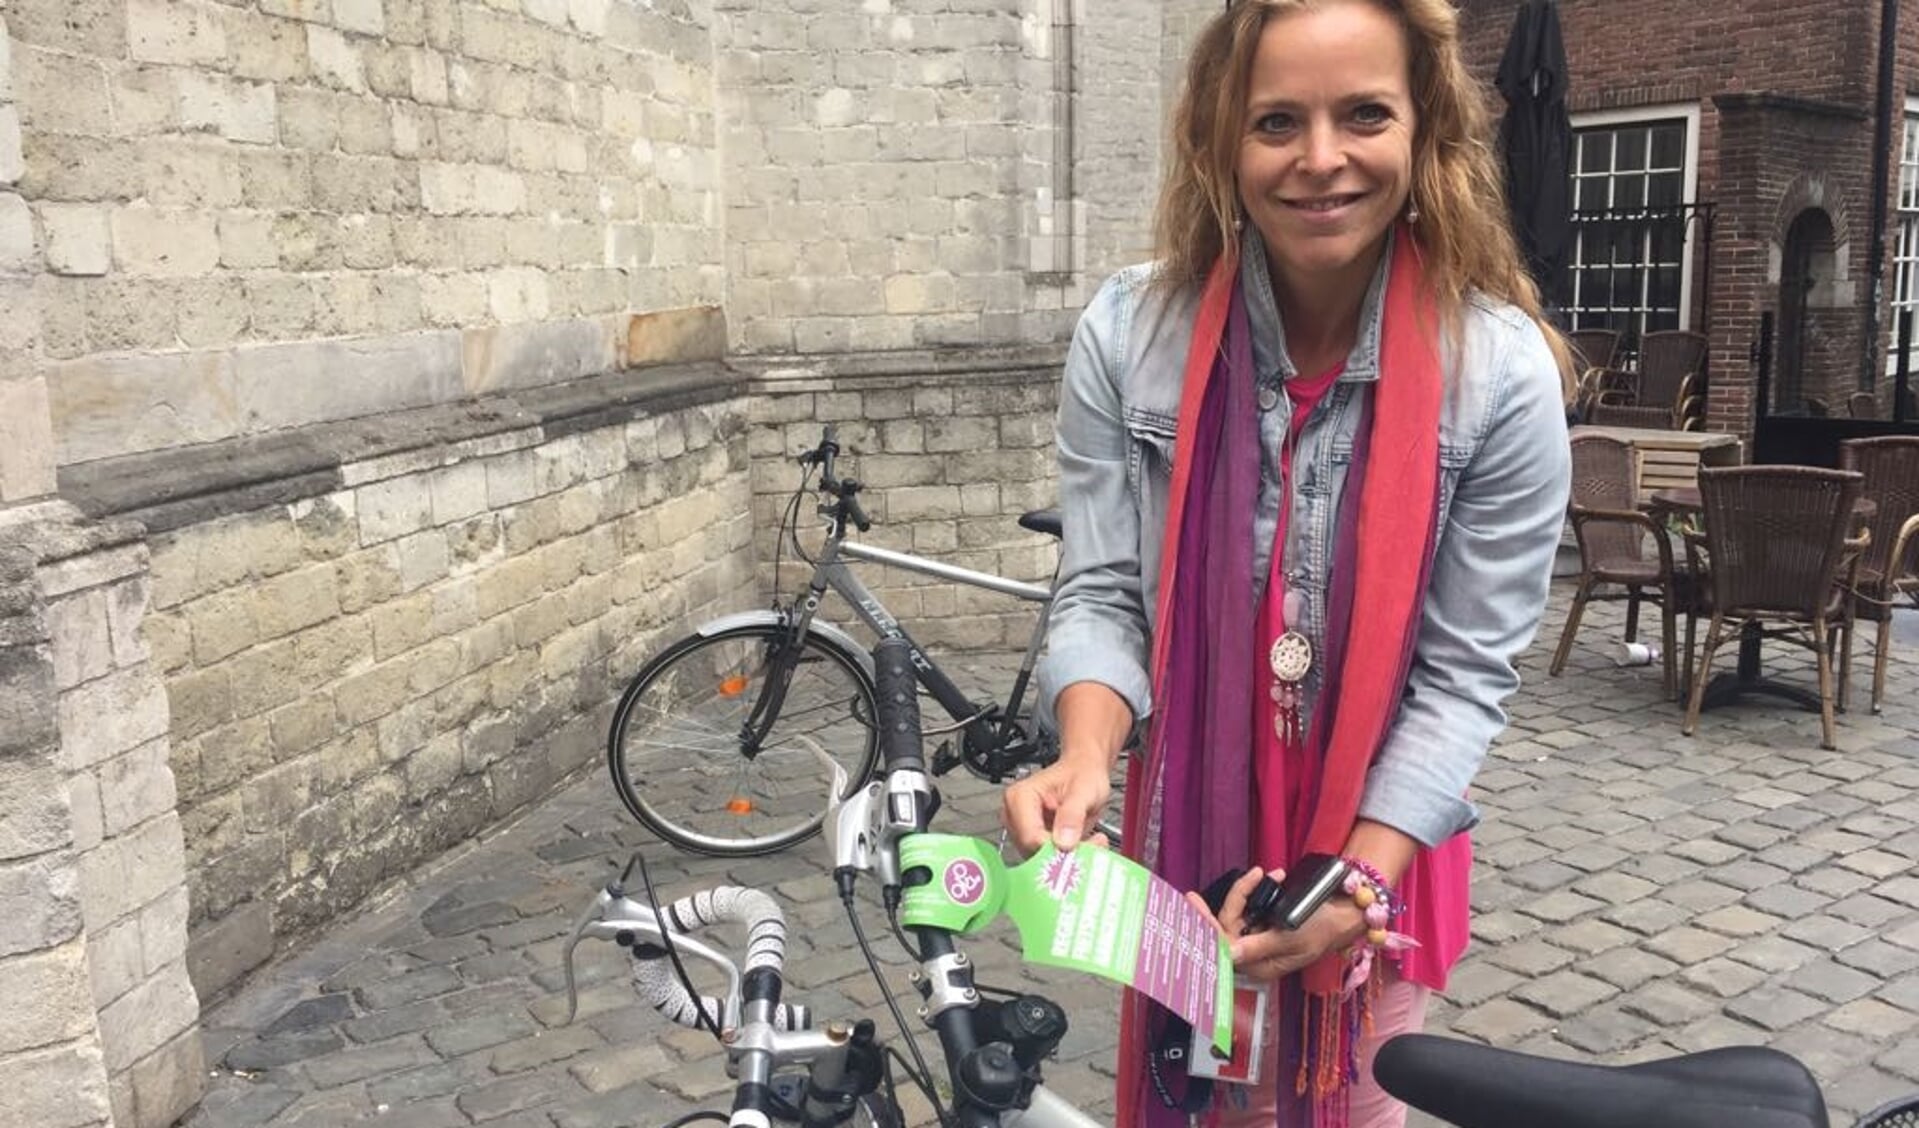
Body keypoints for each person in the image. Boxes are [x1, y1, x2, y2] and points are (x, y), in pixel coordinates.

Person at [1000, 2, 1573, 1126]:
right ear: (1222, 141)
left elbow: (1460, 680)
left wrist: (1349, 882)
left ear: (1424, 132)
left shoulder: (1500, 380)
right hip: (1187, 834)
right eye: (1275, 121)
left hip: (1378, 829)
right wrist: (1083, 752)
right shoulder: (1125, 335)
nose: (1320, 159)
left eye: (1363, 114)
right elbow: (1106, 589)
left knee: (1346, 1106)